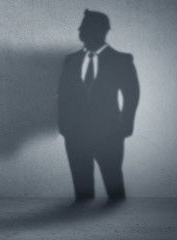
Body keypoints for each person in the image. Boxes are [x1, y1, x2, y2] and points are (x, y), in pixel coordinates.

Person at [58, 10, 140, 201]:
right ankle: (80, 228)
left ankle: (118, 223)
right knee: (82, 192)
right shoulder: (70, 60)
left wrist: (126, 126)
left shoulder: (122, 60)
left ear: (100, 30)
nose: (79, 29)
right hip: (75, 134)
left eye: (84, 26)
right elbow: (63, 95)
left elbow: (132, 94)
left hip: (110, 133)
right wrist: (64, 126)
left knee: (114, 188)